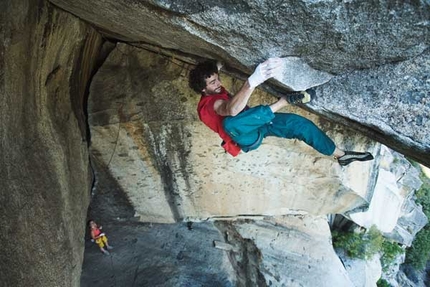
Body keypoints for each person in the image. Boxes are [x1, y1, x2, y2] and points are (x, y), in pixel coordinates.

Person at [188, 58, 374, 166]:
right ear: (203, 90)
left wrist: (214, 66)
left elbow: (215, 69)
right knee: (231, 122)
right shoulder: (209, 105)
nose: (219, 83)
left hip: (259, 122)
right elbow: (230, 109)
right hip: (245, 136)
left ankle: (341, 155)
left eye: (217, 79)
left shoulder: (212, 87)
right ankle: (283, 102)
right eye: (213, 82)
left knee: (299, 125)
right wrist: (253, 81)